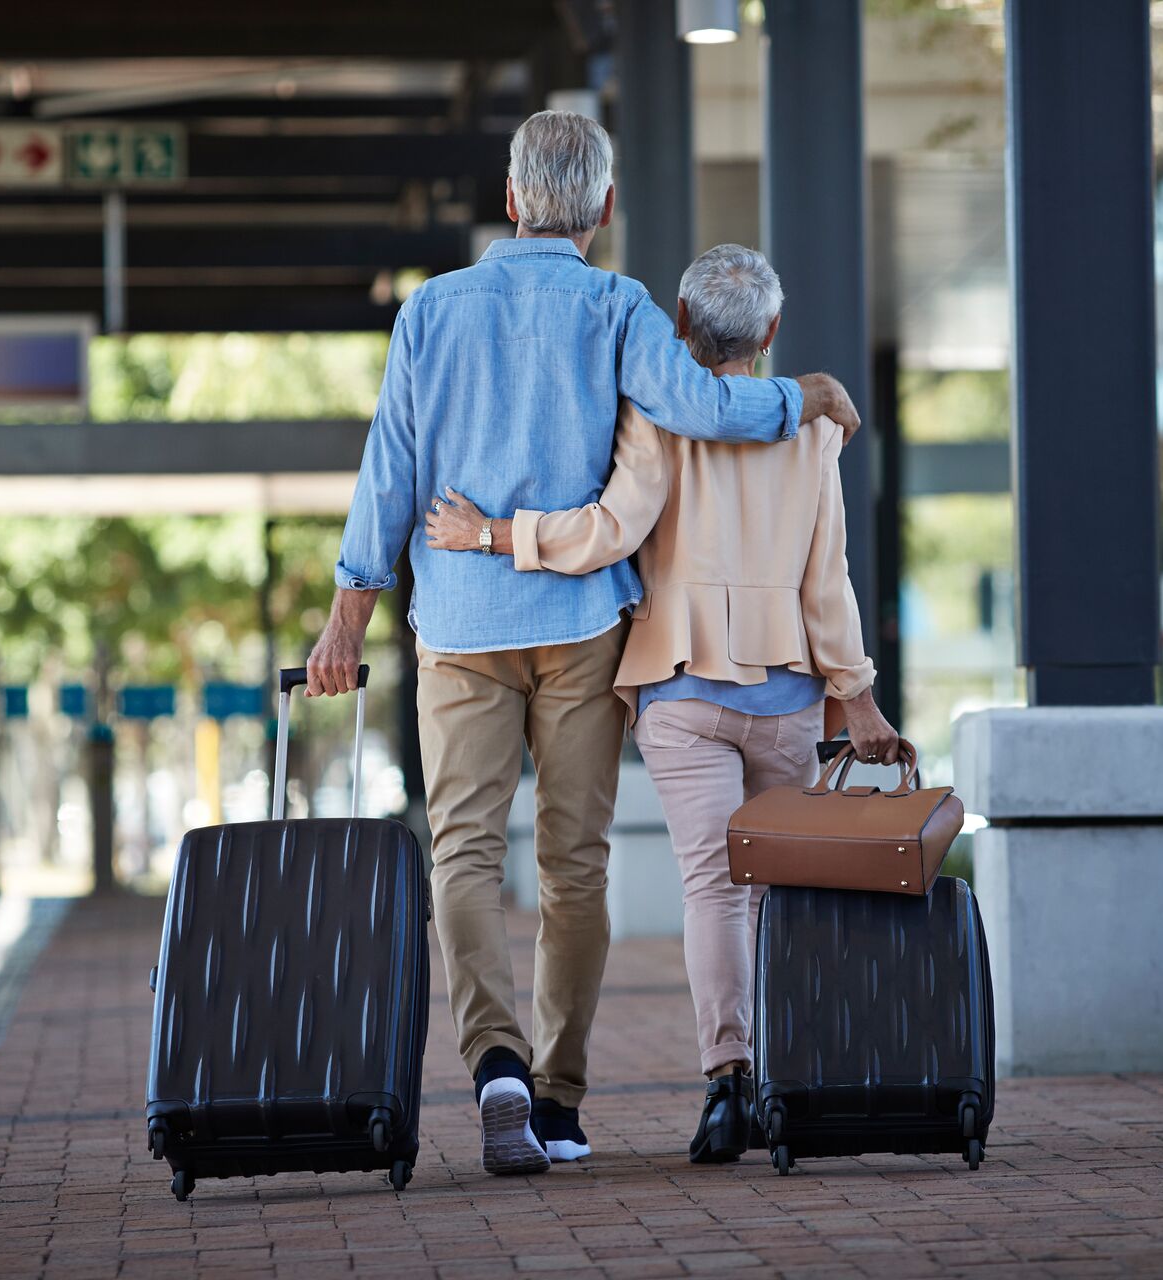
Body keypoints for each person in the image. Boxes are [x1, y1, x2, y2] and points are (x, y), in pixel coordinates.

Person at [301, 112, 861, 1176]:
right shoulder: (618, 307)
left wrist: (349, 609)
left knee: (461, 849)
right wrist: (803, 398)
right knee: (574, 863)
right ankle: (557, 1100)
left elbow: (391, 465)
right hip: (583, 630)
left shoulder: (430, 309)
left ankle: (496, 1061)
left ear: (512, 201)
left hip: (460, 626)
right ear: (603, 212)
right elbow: (701, 406)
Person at [424, 243, 899, 1164]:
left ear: (678, 325)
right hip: (791, 690)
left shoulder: (655, 418)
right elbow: (827, 581)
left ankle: (726, 1085)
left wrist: (493, 534)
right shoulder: (813, 430)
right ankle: (783, 1085)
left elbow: (611, 533)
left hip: (681, 688)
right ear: (769, 334)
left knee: (712, 888)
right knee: (773, 891)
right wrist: (858, 696)